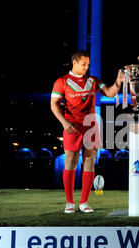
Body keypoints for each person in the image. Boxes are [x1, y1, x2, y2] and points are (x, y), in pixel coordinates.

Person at [50, 50, 124, 213]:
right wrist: (64, 122)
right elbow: (54, 104)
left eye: (88, 64)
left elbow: (110, 93)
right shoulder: (62, 81)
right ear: (74, 62)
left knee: (90, 162)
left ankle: (84, 202)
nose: (86, 67)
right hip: (72, 126)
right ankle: (70, 203)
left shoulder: (93, 80)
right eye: (83, 64)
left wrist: (118, 82)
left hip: (91, 126)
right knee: (70, 162)